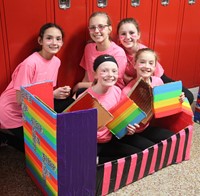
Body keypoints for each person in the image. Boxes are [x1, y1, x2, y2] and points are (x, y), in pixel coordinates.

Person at [0, 23, 74, 152]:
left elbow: (45, 89)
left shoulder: (56, 61)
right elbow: (19, 99)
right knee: (40, 148)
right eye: (49, 38)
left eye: (58, 39)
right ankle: (5, 138)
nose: (54, 42)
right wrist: (53, 94)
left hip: (33, 107)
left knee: (70, 104)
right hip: (12, 111)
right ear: (40, 41)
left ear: (62, 42)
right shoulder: (29, 64)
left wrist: (60, 93)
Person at [80, 54, 142, 164]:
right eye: (104, 71)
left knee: (136, 155)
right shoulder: (85, 98)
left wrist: (129, 128)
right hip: (91, 142)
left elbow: (122, 118)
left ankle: (100, 160)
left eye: (114, 71)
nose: (110, 75)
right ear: (95, 74)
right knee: (84, 165)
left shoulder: (117, 91)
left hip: (110, 138)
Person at [117, 17, 194, 104]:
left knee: (187, 97)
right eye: (123, 34)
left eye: (131, 33)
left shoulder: (144, 52)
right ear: (119, 37)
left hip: (155, 79)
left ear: (138, 34)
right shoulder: (118, 53)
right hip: (136, 85)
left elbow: (156, 79)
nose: (127, 37)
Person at [120, 48, 184, 149]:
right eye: (142, 62)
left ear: (155, 67)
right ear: (135, 64)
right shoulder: (126, 92)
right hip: (131, 133)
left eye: (151, 63)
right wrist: (127, 129)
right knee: (152, 150)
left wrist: (178, 100)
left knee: (174, 139)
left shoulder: (157, 82)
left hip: (147, 127)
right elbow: (122, 123)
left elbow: (165, 108)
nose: (146, 66)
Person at [73, 11, 127, 96]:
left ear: (109, 29)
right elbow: (87, 76)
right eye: (92, 27)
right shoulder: (88, 48)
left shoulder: (118, 53)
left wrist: (80, 85)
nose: (96, 31)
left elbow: (110, 83)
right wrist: (77, 96)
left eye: (101, 27)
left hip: (110, 94)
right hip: (92, 91)